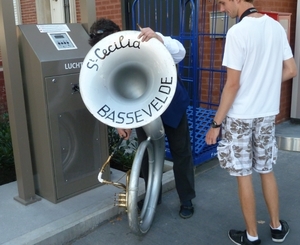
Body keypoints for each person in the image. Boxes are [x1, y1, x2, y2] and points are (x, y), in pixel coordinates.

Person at [205, 0, 297, 244]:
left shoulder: (237, 32)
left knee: (243, 174)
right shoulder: (276, 28)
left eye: (224, 3)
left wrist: (216, 124)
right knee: (266, 170)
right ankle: (276, 228)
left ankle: (252, 236)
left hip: (240, 116)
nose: (223, 9)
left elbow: (232, 85)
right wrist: (264, 84)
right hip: (266, 114)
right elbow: (291, 70)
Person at [88, 18, 196, 219]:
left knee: (181, 152)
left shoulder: (142, 39)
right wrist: (119, 122)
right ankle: (153, 197)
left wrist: (159, 38)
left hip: (170, 103)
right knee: (147, 156)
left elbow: (180, 53)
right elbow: (107, 93)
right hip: (142, 110)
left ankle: (186, 198)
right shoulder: (103, 57)